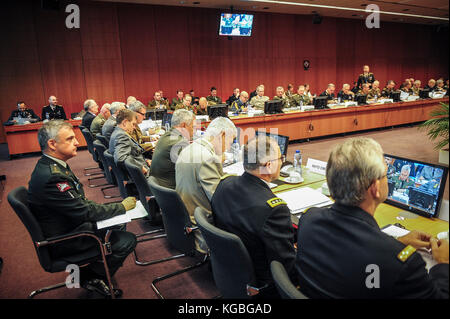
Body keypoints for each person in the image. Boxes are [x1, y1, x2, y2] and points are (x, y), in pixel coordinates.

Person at [295, 137, 449, 299]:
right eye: (385, 175)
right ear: (375, 188)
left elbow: (352, 252)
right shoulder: (404, 263)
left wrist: (397, 243)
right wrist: (443, 264)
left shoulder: (308, 220)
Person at [27, 120, 137, 298]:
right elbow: (84, 211)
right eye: (70, 139)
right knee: (127, 240)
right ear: (52, 144)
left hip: (68, 225)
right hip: (66, 238)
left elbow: (79, 204)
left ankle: (93, 271)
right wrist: (120, 206)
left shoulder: (52, 165)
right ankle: (91, 276)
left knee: (117, 224)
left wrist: (113, 209)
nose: (77, 142)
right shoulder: (52, 176)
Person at [211, 135, 296, 298]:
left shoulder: (224, 184)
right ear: (269, 166)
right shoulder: (275, 210)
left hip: (229, 270)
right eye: (281, 158)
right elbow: (287, 268)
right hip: (264, 285)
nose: (283, 161)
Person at [175, 117, 237, 253]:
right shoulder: (208, 158)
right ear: (222, 135)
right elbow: (220, 201)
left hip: (186, 218)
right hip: (204, 226)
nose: (230, 146)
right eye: (231, 140)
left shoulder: (189, 148)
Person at [151, 109, 195, 189]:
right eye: (192, 126)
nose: (194, 130)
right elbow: (193, 171)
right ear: (184, 125)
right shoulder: (180, 143)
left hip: (160, 187)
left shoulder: (166, 135)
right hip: (172, 190)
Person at [109, 109, 151, 177]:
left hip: (141, 169)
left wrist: (145, 161)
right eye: (133, 124)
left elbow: (132, 154)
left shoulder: (117, 132)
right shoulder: (121, 136)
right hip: (142, 176)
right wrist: (140, 167)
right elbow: (120, 158)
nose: (134, 127)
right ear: (125, 122)